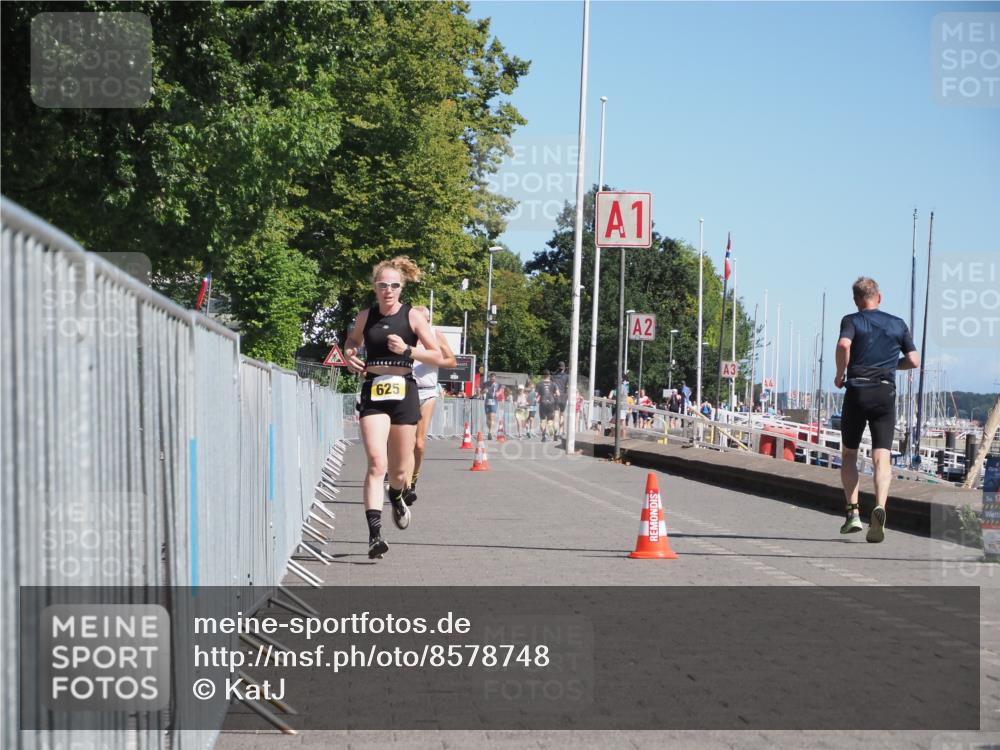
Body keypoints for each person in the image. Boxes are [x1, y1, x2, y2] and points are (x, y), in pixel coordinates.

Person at [343, 257, 441, 560]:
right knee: (377, 463)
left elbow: (437, 355)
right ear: (375, 287)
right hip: (373, 390)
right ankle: (375, 536)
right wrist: (350, 353)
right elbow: (352, 340)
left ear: (402, 288)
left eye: (394, 285)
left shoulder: (413, 317)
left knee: (399, 471)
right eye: (383, 285)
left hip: (404, 392)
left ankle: (397, 495)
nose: (388, 290)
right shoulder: (365, 316)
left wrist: (408, 350)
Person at [835, 277, 919, 542]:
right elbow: (914, 360)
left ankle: (853, 514)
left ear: (856, 300)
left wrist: (840, 374)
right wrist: (892, 366)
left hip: (858, 390)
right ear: (879, 297)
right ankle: (880, 506)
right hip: (885, 392)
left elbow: (844, 345)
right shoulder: (898, 324)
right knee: (882, 456)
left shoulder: (852, 320)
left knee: (849, 453)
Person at [405, 305, 457, 506]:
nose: (420, 323)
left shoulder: (435, 334)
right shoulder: (404, 334)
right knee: (403, 441)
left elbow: (452, 362)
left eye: (424, 320)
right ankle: (403, 483)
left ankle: (413, 479)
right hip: (405, 390)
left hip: (427, 392)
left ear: (428, 321)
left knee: (418, 443)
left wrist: (429, 357)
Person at [535, 369, 559, 441]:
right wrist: (553, 395)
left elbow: (536, 395)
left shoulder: (539, 384)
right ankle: (554, 432)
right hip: (551, 403)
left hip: (543, 403)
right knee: (550, 420)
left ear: (543, 375)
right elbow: (558, 394)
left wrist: (538, 398)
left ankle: (543, 436)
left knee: (543, 420)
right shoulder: (553, 384)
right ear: (549, 375)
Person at [480, 373, 503, 439]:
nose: (492, 379)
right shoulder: (485, 384)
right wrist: (484, 391)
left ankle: (490, 432)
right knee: (488, 418)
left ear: (495, 378)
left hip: (494, 401)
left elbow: (501, 390)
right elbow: (480, 392)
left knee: (491, 416)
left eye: (493, 378)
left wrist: (498, 393)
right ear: (489, 378)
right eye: (491, 377)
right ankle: (489, 430)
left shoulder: (498, 384)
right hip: (487, 401)